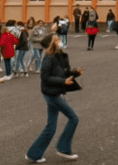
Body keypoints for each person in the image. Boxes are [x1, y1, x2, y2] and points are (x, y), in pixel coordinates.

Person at [25, 33, 82, 162]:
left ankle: (34, 154)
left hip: (54, 93)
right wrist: (62, 81)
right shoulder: (49, 58)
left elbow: (65, 73)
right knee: (73, 118)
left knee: (51, 127)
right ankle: (63, 148)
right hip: (52, 95)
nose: (60, 41)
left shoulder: (58, 56)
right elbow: (45, 78)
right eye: (57, 40)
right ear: (51, 44)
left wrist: (75, 73)